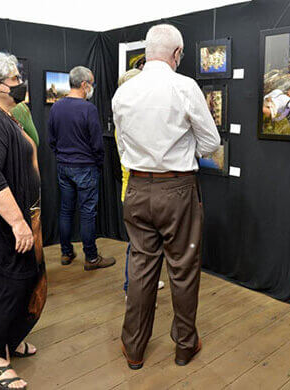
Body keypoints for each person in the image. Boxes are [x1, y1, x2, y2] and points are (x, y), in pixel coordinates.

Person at [113, 24, 220, 370]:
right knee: (183, 269)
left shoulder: (124, 93)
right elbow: (211, 143)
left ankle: (134, 349)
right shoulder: (184, 86)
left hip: (138, 188)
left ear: (147, 51)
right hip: (178, 189)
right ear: (176, 54)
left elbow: (123, 144)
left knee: (142, 268)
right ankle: (185, 345)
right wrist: (183, 148)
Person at [0, 52, 47, 390]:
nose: (19, 83)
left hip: (23, 217)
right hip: (5, 225)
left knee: (25, 282)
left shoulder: (8, 116)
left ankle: (9, 339)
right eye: (14, 79)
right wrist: (17, 222)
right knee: (8, 287)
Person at [48, 66, 116, 271]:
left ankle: (66, 253)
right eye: (92, 83)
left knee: (66, 211)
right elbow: (97, 144)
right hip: (85, 167)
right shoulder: (88, 109)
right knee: (87, 214)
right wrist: (98, 162)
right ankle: (92, 258)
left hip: (63, 166)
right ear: (85, 84)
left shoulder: (56, 107)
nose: (92, 87)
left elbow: (51, 140)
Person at [114, 69, 165, 301]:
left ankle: (143, 283)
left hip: (134, 189)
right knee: (139, 246)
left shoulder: (123, 118)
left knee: (144, 245)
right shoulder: (135, 121)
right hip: (138, 188)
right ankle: (131, 289)